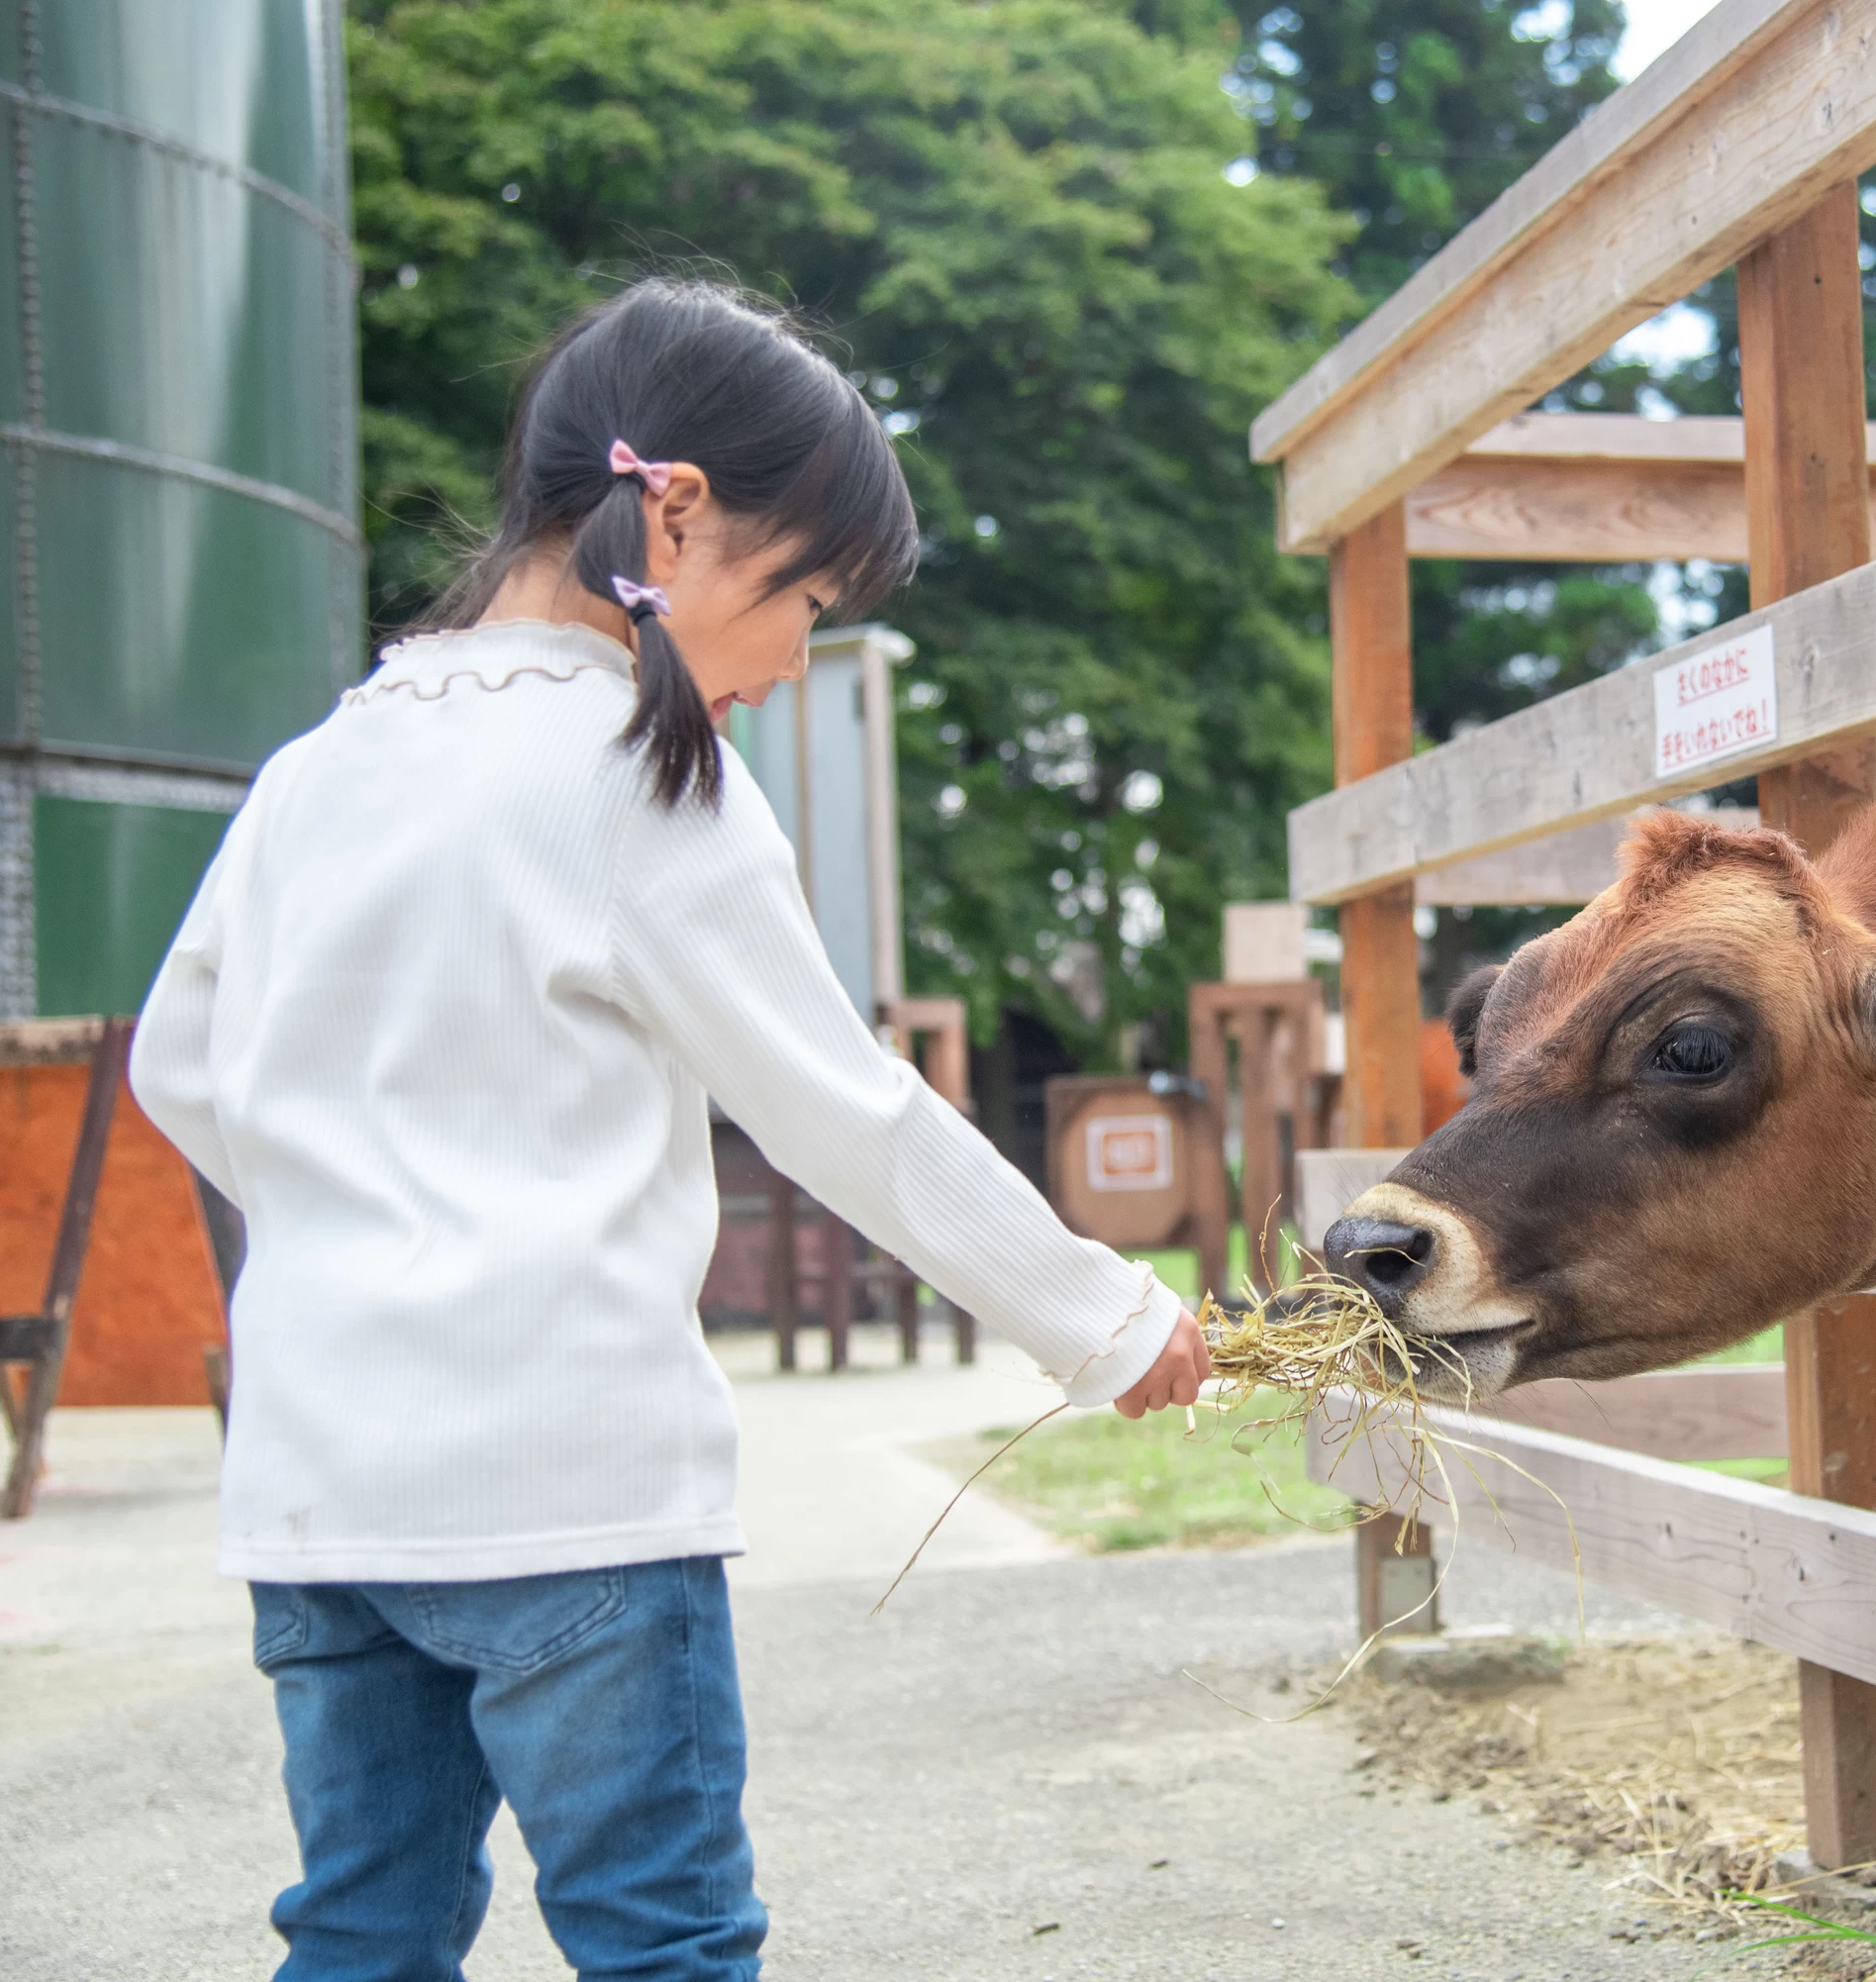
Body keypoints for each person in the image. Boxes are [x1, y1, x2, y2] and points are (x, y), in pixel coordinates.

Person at [130, 278, 1213, 1982]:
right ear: (679, 513)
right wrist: (1108, 1315)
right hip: (573, 1490)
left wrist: (347, 1205)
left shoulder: (319, 765)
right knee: (661, 1942)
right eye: (802, 599)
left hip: (320, 1495)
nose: (790, 662)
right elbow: (845, 1113)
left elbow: (178, 1064)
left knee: (363, 1928)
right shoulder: (642, 771)